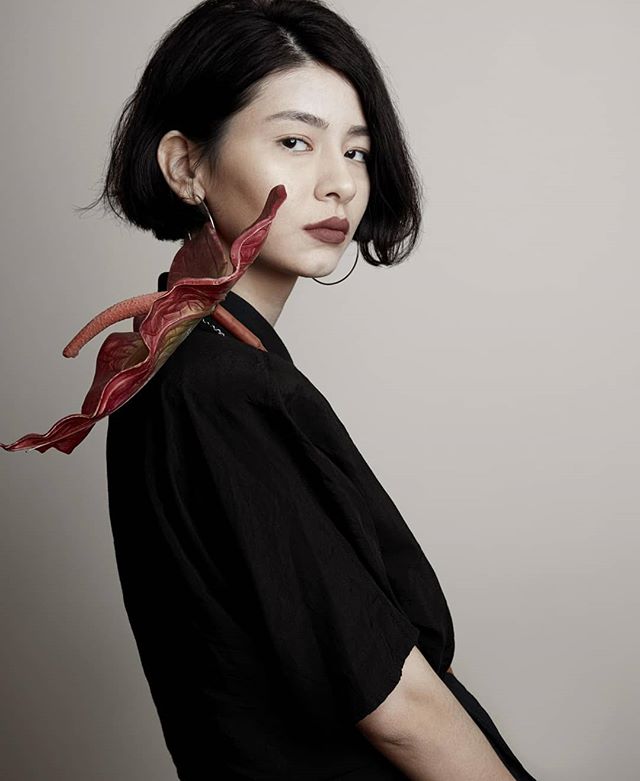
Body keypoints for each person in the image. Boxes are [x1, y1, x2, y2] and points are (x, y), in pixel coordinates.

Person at [4, 1, 540, 779]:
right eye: (295, 141)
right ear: (187, 166)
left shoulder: (192, 365)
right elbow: (397, 706)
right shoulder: (215, 385)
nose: (338, 184)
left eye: (357, 152)